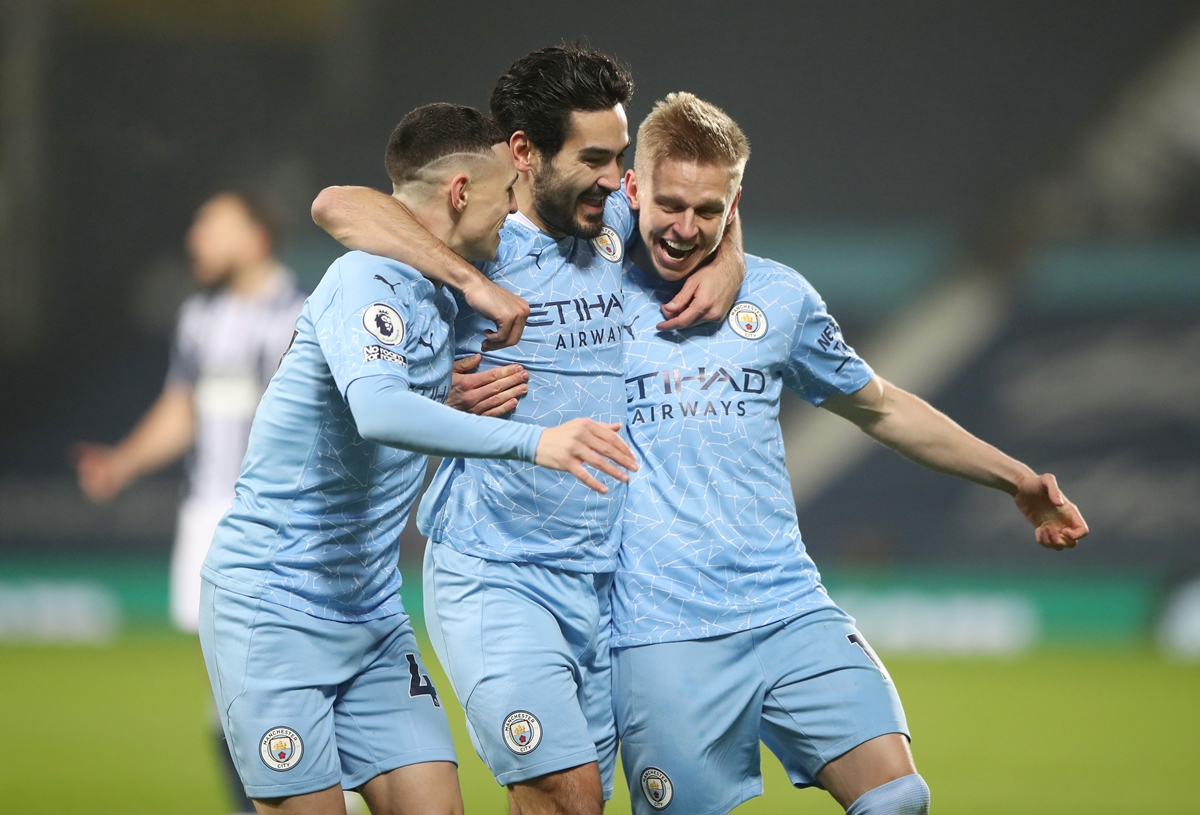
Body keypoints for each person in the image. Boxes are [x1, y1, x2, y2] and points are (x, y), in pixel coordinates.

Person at [609, 93, 1090, 815]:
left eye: (708, 211)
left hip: (786, 606)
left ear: (736, 203)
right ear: (632, 187)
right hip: (659, 631)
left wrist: (1016, 478)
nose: (685, 228)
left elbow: (883, 405)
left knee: (898, 797)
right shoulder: (583, 290)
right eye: (670, 204)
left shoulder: (778, 297)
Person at [310, 45, 745, 815]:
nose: (617, 179)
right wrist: (472, 289)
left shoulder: (613, 224)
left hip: (603, 579)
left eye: (619, 157)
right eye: (596, 158)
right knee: (566, 794)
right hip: (496, 571)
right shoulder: (475, 238)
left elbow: (712, 196)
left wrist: (727, 262)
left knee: (583, 803)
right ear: (522, 153)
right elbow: (337, 205)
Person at [199, 103, 637, 815]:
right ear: (461, 192)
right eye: (503, 196)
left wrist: (446, 395)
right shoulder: (365, 279)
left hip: (370, 611)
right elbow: (378, 412)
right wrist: (535, 441)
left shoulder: (434, 288)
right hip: (273, 606)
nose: (510, 213)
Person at [73, 188, 306, 814]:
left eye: (212, 226)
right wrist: (122, 462)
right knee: (229, 693)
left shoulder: (298, 315)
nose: (195, 239)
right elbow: (184, 410)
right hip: (208, 514)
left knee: (277, 683)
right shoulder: (200, 317)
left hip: (277, 521)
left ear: (255, 237)